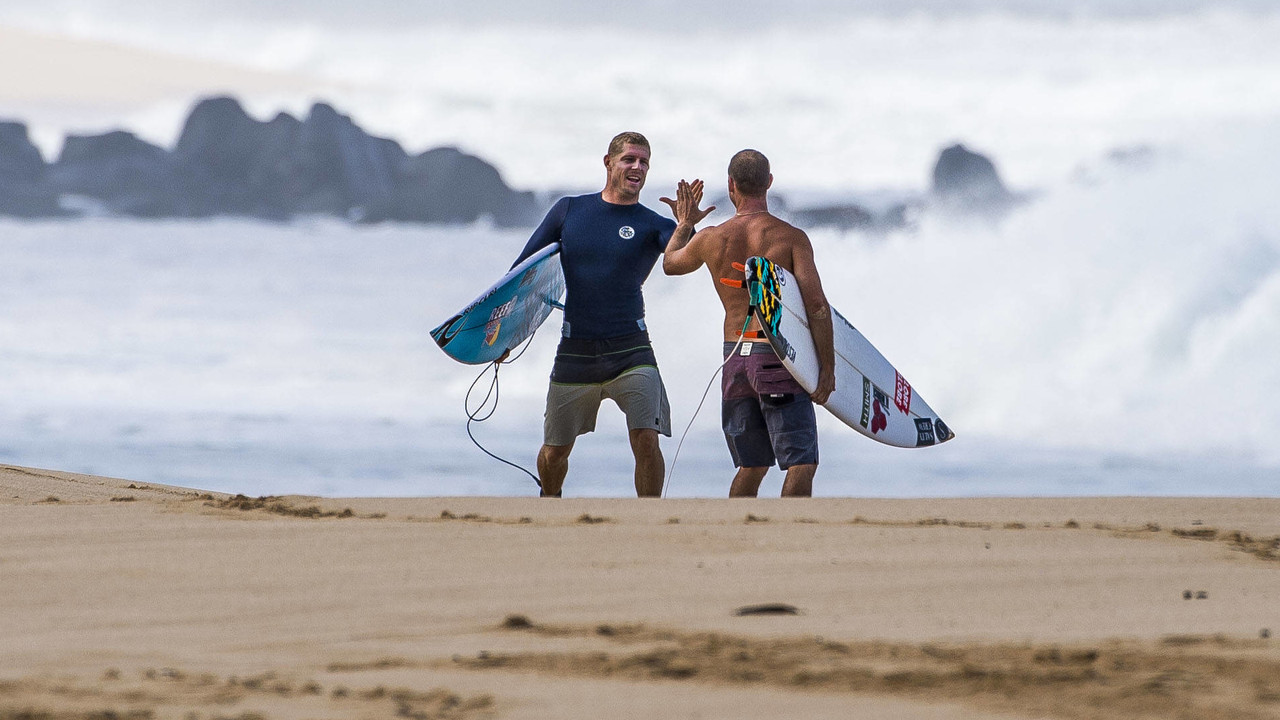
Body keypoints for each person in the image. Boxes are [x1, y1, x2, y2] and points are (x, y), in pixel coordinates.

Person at [510, 132, 677, 497]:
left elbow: (684, 256)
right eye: (629, 159)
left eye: (644, 161)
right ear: (608, 162)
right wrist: (504, 335)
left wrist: (686, 226)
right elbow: (522, 272)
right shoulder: (570, 210)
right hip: (576, 350)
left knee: (647, 440)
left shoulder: (654, 224)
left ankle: (649, 518)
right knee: (555, 452)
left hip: (632, 350)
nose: (637, 167)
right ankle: (549, 502)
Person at [660, 149, 835, 497]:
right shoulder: (790, 238)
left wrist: (684, 225)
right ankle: (791, 534)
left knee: (752, 465)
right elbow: (816, 306)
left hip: (734, 359)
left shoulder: (711, 238)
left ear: (731, 186)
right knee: (801, 462)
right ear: (769, 182)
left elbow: (670, 263)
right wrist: (826, 370)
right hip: (775, 358)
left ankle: (737, 534)